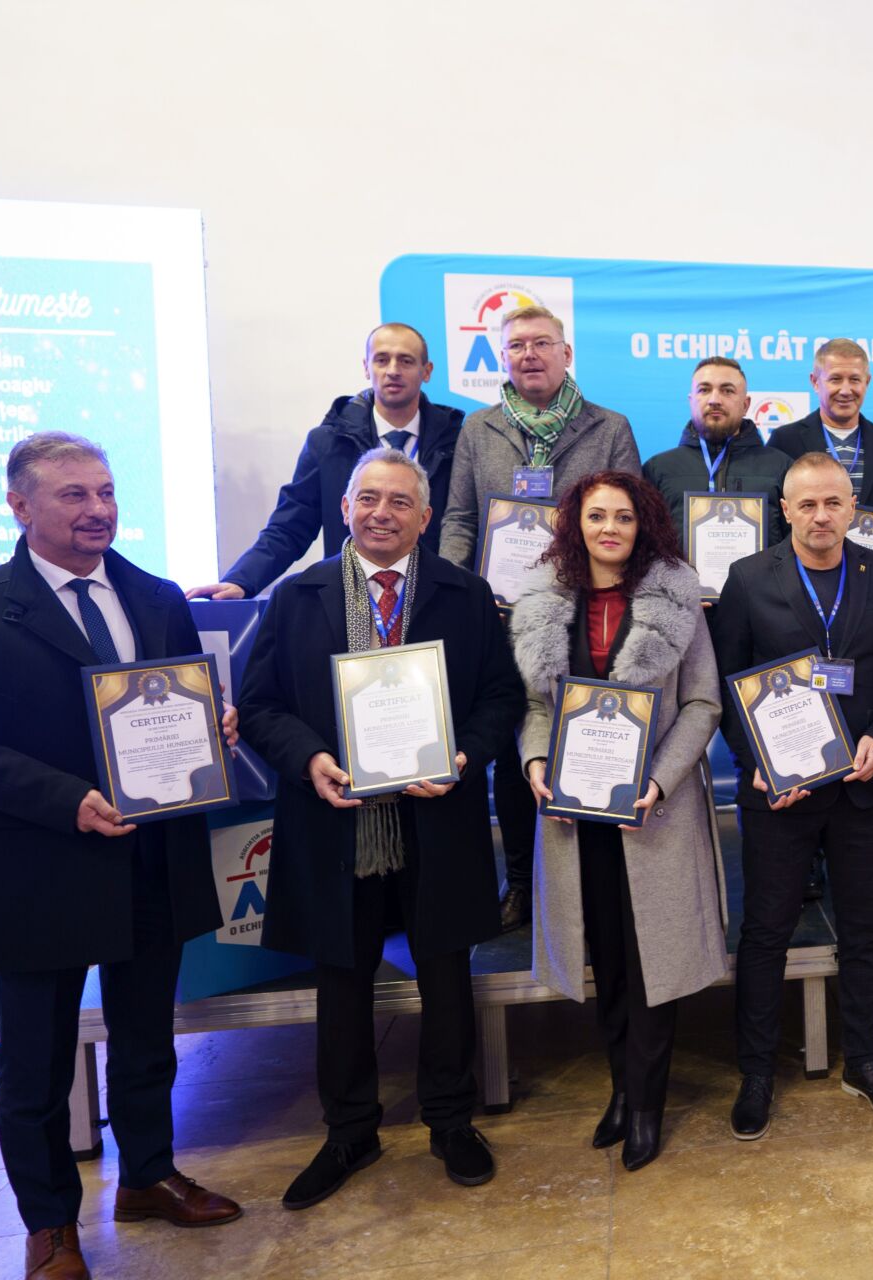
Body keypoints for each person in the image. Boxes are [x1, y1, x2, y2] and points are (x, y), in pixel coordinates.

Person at [239, 447, 526, 1208]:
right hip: (336, 826)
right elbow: (259, 706)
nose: (381, 513)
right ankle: (349, 1131)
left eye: (400, 501)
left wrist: (463, 756)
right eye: (368, 498)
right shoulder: (296, 597)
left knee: (445, 975)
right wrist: (311, 759)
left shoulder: (466, 594)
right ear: (344, 508)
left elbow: (501, 697)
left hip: (439, 821)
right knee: (342, 981)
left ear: (425, 517)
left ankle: (451, 1120)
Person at [0, 433, 243, 1280]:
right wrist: (63, 799)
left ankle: (148, 1175)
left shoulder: (156, 596)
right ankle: (49, 1226)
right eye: (74, 495)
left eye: (105, 492)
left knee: (147, 1038)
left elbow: (174, 703)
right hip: (39, 866)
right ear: (19, 506)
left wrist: (213, 726)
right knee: (34, 1065)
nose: (98, 510)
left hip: (150, 858)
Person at [508, 471, 727, 1171]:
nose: (610, 528)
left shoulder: (678, 598)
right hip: (577, 816)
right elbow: (535, 705)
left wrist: (658, 782)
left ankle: (646, 1103)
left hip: (651, 813)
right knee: (605, 954)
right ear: (575, 524)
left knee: (650, 957)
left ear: (643, 525)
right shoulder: (543, 603)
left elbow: (703, 704)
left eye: (624, 517)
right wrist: (534, 760)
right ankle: (620, 1087)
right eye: (597, 515)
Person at [712, 452, 873, 1138]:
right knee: (766, 932)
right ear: (785, 510)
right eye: (807, 504)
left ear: (852, 507)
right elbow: (724, 683)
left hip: (863, 785)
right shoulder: (748, 579)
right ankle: (756, 1074)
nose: (821, 516)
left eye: (833, 502)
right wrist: (753, 763)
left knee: (864, 930)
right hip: (781, 793)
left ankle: (864, 1061)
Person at [438, 304, 642, 934]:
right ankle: (524, 883)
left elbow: (628, 515)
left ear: (566, 353)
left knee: (584, 738)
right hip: (502, 617)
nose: (529, 354)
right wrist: (454, 590)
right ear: (502, 357)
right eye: (516, 346)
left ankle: (593, 878)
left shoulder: (609, 427)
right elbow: (461, 518)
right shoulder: (480, 428)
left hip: (582, 613)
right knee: (512, 754)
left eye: (541, 343)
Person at [186, 323, 462, 599]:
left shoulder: (456, 441)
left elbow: (465, 524)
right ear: (366, 367)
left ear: (426, 371)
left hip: (432, 598)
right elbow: (290, 527)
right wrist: (242, 581)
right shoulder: (328, 443)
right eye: (381, 359)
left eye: (405, 361)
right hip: (351, 598)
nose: (392, 370)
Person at [769, 338, 873, 581]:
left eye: (854, 379)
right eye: (835, 379)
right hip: (803, 581)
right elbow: (776, 520)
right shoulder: (784, 441)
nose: (845, 390)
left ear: (867, 382)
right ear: (815, 382)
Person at [641, 356, 791, 549]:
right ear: (691, 401)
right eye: (704, 390)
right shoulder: (657, 470)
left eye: (727, 391)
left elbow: (796, 545)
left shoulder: (781, 468)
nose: (714, 400)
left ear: (745, 405)